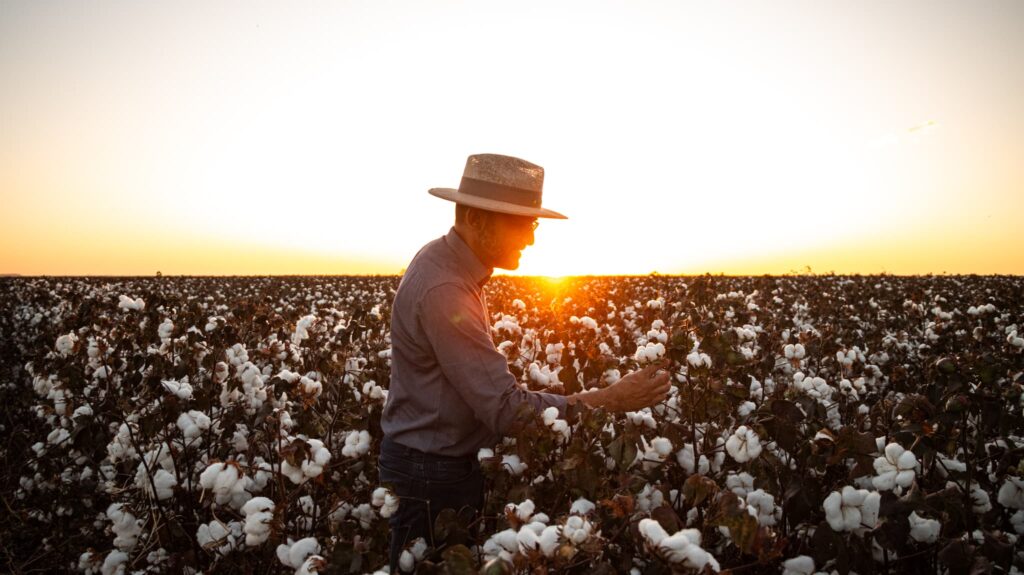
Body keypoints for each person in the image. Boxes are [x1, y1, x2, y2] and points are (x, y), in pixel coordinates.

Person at [378, 153, 671, 571]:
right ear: (477, 219)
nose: (530, 239)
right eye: (522, 224)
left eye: (532, 224)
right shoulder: (446, 289)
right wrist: (611, 399)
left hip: (428, 465)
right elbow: (507, 411)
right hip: (431, 475)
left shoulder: (446, 263)